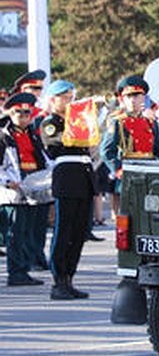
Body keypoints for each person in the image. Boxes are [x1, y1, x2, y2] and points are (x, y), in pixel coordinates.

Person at [40, 80, 95, 299]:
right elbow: (54, 146)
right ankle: (59, 280)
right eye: (65, 96)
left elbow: (89, 143)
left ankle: (70, 277)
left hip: (84, 177)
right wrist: (77, 126)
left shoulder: (78, 121)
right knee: (63, 231)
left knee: (79, 232)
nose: (70, 100)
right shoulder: (50, 122)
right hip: (67, 178)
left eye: (71, 96)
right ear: (53, 99)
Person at [2, 92, 50, 286]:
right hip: (13, 189)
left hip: (32, 186)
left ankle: (25, 267)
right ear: (11, 114)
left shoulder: (32, 134)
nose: (24, 117)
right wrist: (6, 181)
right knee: (15, 233)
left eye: (27, 114)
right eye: (19, 113)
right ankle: (16, 272)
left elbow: (44, 159)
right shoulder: (3, 136)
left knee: (29, 231)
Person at [100, 76, 159, 200]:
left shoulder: (150, 122)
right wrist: (118, 169)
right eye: (128, 96)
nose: (132, 100)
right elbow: (106, 151)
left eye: (137, 96)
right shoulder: (118, 122)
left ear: (143, 98)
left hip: (151, 172)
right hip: (129, 172)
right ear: (123, 99)